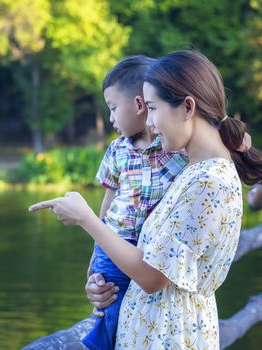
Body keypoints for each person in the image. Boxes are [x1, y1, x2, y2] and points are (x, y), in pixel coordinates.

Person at [29, 50, 262, 349]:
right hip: (155, 332)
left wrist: (87, 219)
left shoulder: (207, 182)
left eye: (154, 108)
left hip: (167, 338)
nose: (150, 123)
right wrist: (101, 278)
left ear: (187, 107)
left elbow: (152, 277)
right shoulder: (195, 171)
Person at [82, 55, 188, 350]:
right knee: (110, 301)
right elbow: (109, 197)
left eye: (114, 108)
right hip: (117, 241)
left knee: (146, 308)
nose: (111, 118)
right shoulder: (117, 150)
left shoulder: (176, 150)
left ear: (140, 105)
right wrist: (96, 248)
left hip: (153, 251)